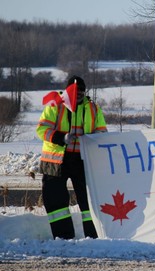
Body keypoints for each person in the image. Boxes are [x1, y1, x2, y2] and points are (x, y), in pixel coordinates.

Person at [36, 75, 108, 239]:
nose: (79, 93)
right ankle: (63, 237)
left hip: (83, 160)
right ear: (68, 90)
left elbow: (102, 132)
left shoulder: (93, 108)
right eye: (76, 91)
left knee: (88, 200)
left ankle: (93, 236)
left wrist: (94, 138)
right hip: (56, 160)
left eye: (82, 90)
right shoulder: (55, 106)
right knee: (56, 201)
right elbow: (41, 130)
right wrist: (62, 138)